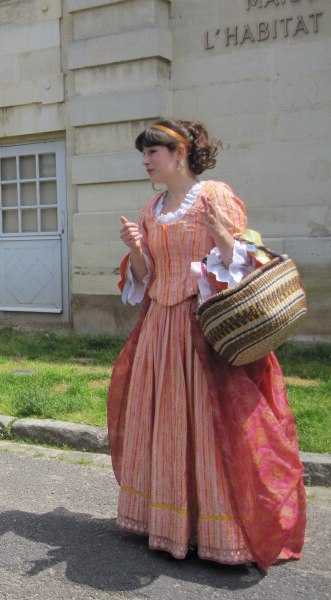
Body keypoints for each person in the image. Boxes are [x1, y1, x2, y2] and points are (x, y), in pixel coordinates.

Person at [107, 119, 306, 571]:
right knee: (164, 420)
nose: (144, 161)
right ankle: (167, 521)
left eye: (151, 153)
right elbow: (146, 277)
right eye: (143, 154)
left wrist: (223, 238)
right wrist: (136, 247)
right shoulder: (150, 206)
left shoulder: (216, 195)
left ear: (179, 154)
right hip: (159, 327)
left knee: (211, 422)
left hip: (205, 327)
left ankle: (217, 530)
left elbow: (245, 264)